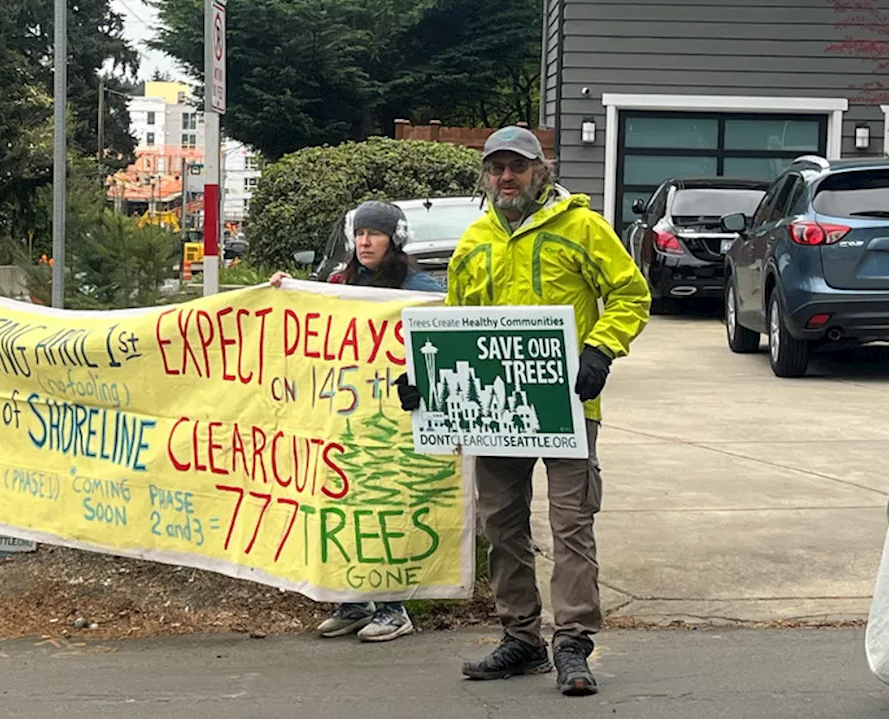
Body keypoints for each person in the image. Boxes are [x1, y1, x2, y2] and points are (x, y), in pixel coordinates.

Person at [395, 126, 649, 695]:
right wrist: (424, 378)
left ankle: (573, 643)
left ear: (541, 171)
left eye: (517, 167)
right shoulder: (476, 239)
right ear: (486, 176)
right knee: (503, 525)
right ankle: (521, 638)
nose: (506, 177)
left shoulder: (583, 228)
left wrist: (601, 349)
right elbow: (457, 323)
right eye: (496, 168)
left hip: (566, 404)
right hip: (495, 410)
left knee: (571, 525)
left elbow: (631, 294)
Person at [271, 200, 444, 642]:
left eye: (375, 234)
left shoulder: (416, 287)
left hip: (394, 417)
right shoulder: (341, 283)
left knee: (387, 506)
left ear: (395, 240)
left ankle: (393, 606)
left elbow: (437, 335)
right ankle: (353, 601)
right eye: (360, 234)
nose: (365, 242)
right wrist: (284, 290)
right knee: (344, 504)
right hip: (347, 417)